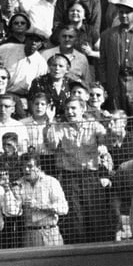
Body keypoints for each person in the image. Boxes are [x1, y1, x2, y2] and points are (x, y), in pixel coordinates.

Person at [45, 97, 111, 243]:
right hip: (70, 178)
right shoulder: (60, 127)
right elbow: (52, 145)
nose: (70, 112)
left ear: (83, 109)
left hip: (91, 177)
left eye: (73, 108)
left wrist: (109, 128)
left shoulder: (94, 126)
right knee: (75, 219)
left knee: (96, 216)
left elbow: (107, 140)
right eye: (67, 109)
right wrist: (50, 121)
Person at [14, 154, 70, 245]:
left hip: (51, 232)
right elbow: (14, 212)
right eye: (23, 166)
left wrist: (40, 206)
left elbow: (63, 209)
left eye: (30, 166)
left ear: (38, 168)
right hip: (30, 235)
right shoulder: (18, 185)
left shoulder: (51, 182)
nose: (26, 169)